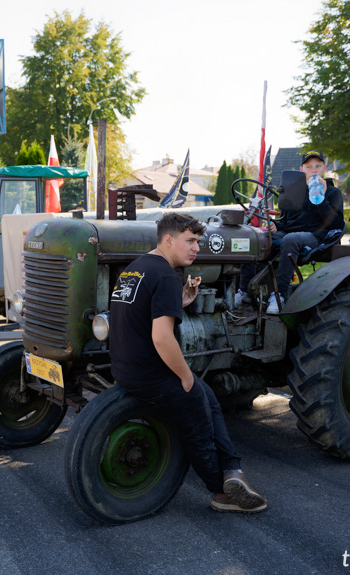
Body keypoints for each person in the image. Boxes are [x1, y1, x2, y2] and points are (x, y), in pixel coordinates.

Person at [109, 213, 268, 514]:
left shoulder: (137, 268)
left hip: (124, 367)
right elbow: (161, 338)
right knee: (198, 421)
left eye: (198, 241)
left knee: (209, 398)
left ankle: (234, 470)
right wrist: (185, 376)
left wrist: (178, 301)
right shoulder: (167, 275)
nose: (196, 248)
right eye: (190, 241)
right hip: (151, 374)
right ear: (168, 240)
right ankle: (223, 492)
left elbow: (139, 313)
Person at [235, 151, 344, 314]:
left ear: (324, 168)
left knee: (291, 240)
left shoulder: (333, 193)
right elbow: (284, 221)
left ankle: (278, 297)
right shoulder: (294, 190)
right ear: (302, 169)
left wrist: (321, 198)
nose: (313, 170)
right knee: (254, 238)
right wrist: (275, 226)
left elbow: (335, 224)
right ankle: (243, 292)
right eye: (309, 167)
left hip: (315, 235)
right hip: (289, 233)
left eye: (318, 166)